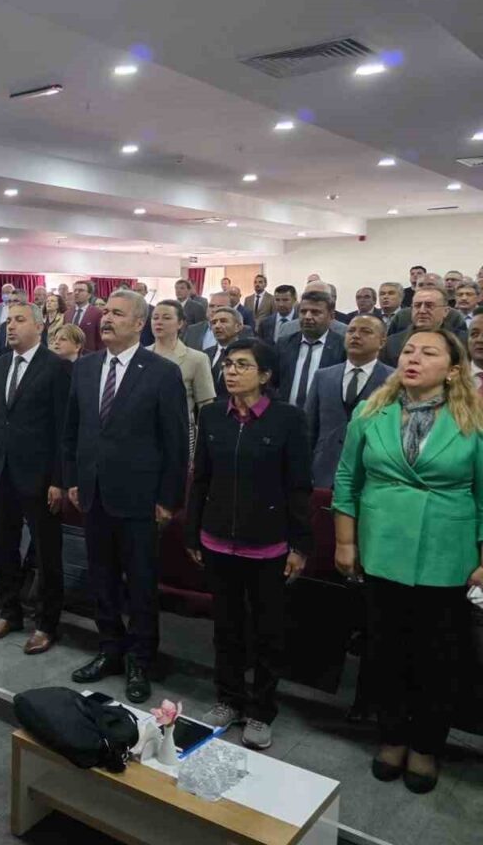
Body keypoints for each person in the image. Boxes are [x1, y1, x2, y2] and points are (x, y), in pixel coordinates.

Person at [333, 326, 483, 793]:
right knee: (386, 652)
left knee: (438, 658)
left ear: (453, 370)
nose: (412, 358)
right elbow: (347, 478)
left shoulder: (474, 420)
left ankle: (426, 745)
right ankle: (393, 736)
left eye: (428, 353)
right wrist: (345, 541)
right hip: (382, 548)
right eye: (409, 350)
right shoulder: (371, 412)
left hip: (447, 552)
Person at [64, 289, 189, 702]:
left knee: (140, 584)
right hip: (94, 493)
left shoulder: (161, 372)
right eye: (105, 312)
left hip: (140, 498)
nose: (107, 319)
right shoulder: (86, 367)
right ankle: (110, 649)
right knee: (101, 579)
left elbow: (176, 443)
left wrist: (168, 500)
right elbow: (73, 430)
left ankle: (140, 659)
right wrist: (73, 477)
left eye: (118, 313)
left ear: (139, 323)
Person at [188, 338, 312, 750]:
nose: (231, 371)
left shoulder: (288, 419)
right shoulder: (212, 414)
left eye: (242, 365)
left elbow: (299, 487)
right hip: (217, 539)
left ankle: (261, 710)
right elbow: (201, 478)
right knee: (226, 628)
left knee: (267, 632)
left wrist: (299, 545)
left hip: (268, 544)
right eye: (228, 364)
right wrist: (192, 531)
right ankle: (229, 699)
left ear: (265, 375)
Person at [0, 301, 72, 654]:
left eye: (19, 320)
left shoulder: (57, 367)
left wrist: (59, 479)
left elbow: (64, 430)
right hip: (2, 471)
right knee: (3, 545)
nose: (11, 326)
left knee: (46, 554)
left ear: (39, 327)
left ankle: (46, 624)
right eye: (8, 321)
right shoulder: (0, 365)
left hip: (41, 476)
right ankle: (10, 612)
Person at [304, 314, 392, 489]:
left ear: (382, 342)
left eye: (365, 331)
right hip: (323, 471)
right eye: (351, 331)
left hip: (371, 474)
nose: (356, 336)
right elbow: (309, 428)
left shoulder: (393, 380)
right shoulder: (323, 376)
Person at [150, 299, 217, 452]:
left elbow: (206, 405)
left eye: (166, 318)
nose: (159, 322)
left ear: (180, 323)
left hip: (179, 434)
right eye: (155, 317)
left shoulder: (196, 359)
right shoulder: (141, 355)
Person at [276, 289, 345, 406]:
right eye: (303, 312)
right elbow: (273, 383)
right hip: (287, 413)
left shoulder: (342, 347)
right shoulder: (284, 344)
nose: (307, 317)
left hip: (323, 414)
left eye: (315, 312)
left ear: (331, 316)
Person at [381, 285, 468, 366]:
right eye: (417, 306)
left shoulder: (464, 342)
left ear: (445, 311)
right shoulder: (391, 344)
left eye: (429, 306)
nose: (422, 311)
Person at [204, 307, 246, 397]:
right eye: (214, 323)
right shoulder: (205, 354)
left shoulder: (247, 354)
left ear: (238, 327)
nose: (217, 326)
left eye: (223, 321)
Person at [69, 280, 103, 352]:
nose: (76, 293)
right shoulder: (67, 313)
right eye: (75, 290)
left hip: (90, 354)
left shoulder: (97, 313)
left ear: (89, 295)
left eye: (81, 290)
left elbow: (101, 340)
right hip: (69, 354)